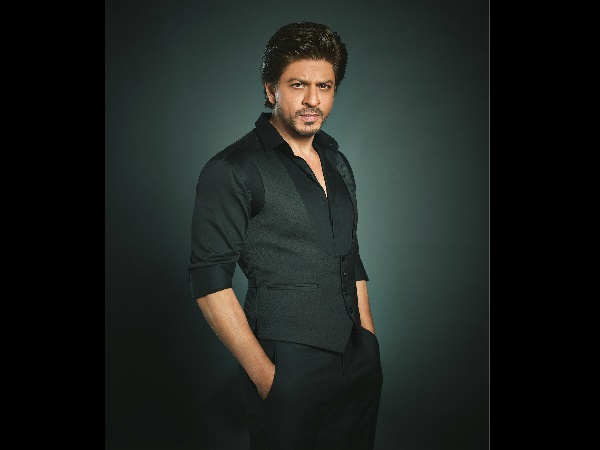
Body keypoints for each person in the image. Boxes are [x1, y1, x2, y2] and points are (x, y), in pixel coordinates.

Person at [188, 22, 383, 450]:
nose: (313, 100)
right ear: (271, 88)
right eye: (298, 84)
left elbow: (349, 254)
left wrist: (368, 342)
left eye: (324, 86)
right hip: (287, 367)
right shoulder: (232, 168)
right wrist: (267, 378)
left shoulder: (336, 160)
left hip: (357, 362)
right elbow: (209, 282)